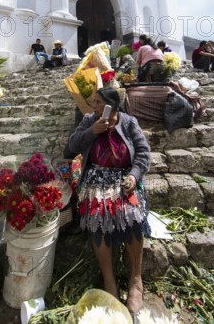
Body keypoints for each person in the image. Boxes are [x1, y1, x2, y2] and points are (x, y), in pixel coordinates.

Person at [69, 88, 150, 317]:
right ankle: (109, 281)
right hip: (97, 178)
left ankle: (135, 280)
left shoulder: (129, 122)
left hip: (124, 177)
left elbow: (143, 152)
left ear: (113, 107)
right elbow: (73, 145)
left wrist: (134, 175)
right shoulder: (88, 120)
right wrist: (92, 132)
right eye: (94, 102)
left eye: (98, 103)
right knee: (97, 216)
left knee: (131, 214)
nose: (94, 106)